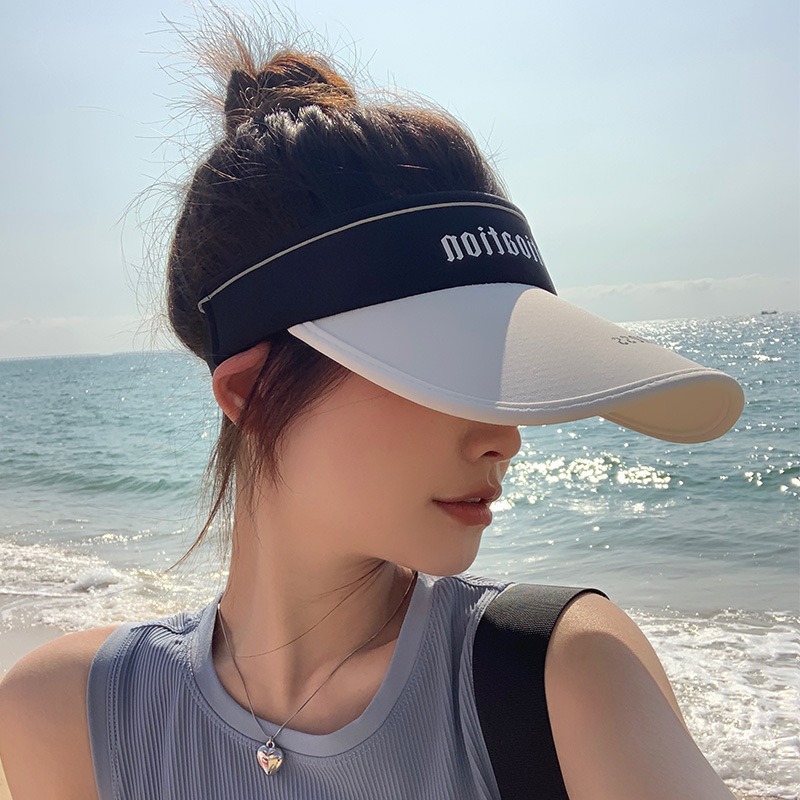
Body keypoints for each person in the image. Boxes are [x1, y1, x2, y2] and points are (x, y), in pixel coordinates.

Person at [0, 30, 744, 800]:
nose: (505, 438)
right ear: (252, 394)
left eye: (503, 379)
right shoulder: (69, 714)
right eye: (444, 374)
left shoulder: (559, 677)